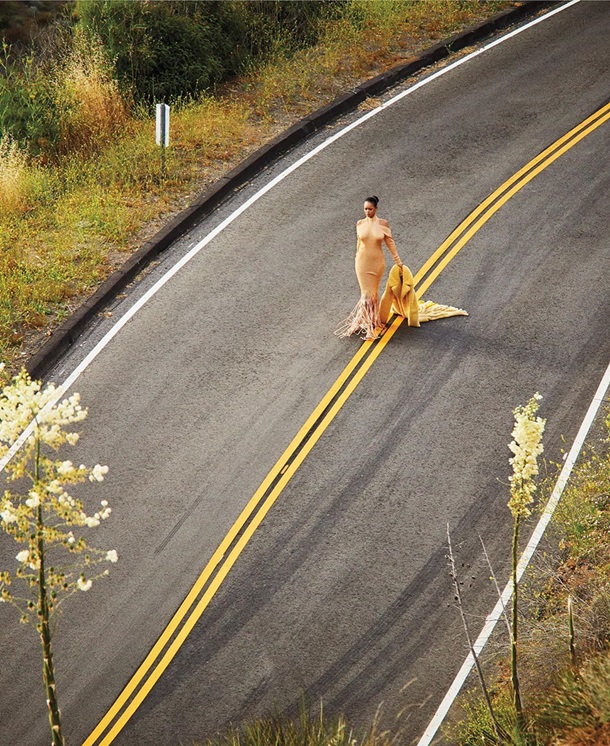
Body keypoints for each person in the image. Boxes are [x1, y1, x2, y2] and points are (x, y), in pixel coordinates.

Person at [335, 196, 403, 339]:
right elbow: (359, 244)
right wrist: (356, 259)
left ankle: (371, 320)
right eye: (365, 209)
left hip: (377, 263)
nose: (367, 211)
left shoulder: (383, 224)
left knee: (373, 294)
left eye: (370, 209)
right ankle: (367, 323)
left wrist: (398, 262)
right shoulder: (359, 224)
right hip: (362, 262)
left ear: (375, 208)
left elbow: (390, 243)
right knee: (366, 294)